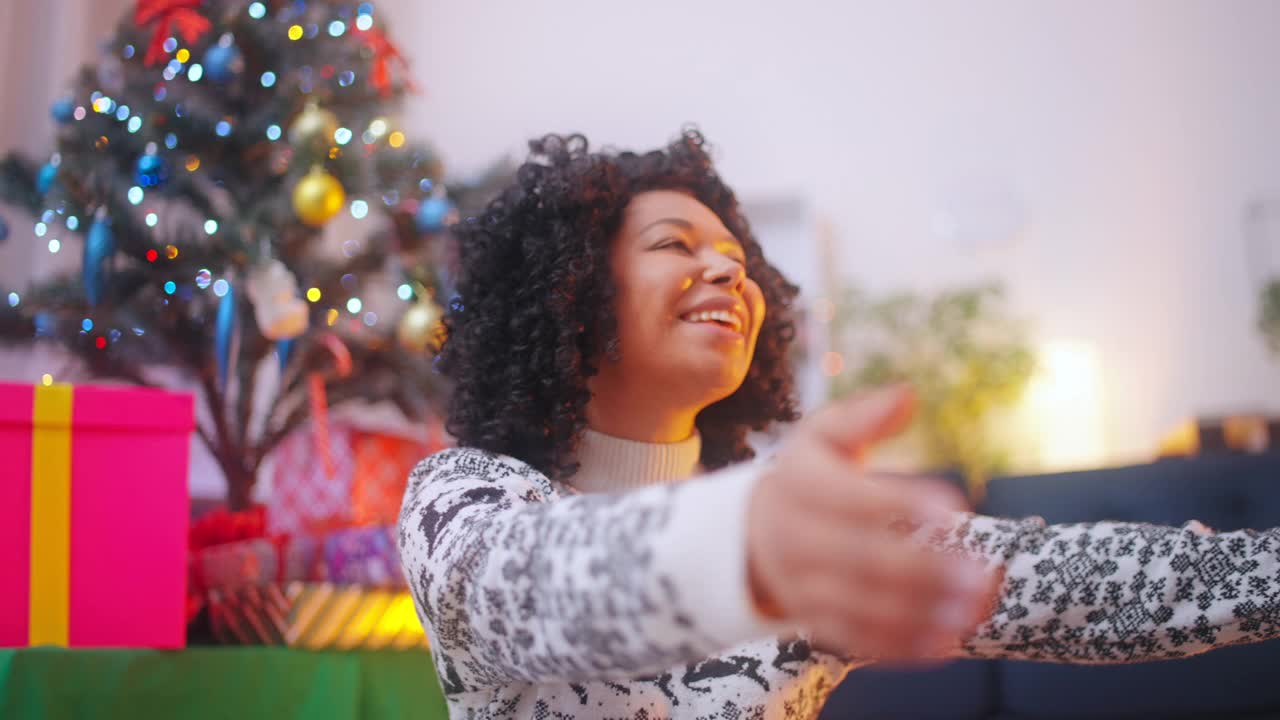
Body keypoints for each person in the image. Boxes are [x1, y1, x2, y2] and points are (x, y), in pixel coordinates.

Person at [397, 130, 1280, 720]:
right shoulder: (466, 496)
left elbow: (1079, 586)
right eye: (675, 245)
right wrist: (752, 549)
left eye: (739, 261)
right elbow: (529, 588)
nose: (727, 275)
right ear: (571, 291)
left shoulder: (796, 527)